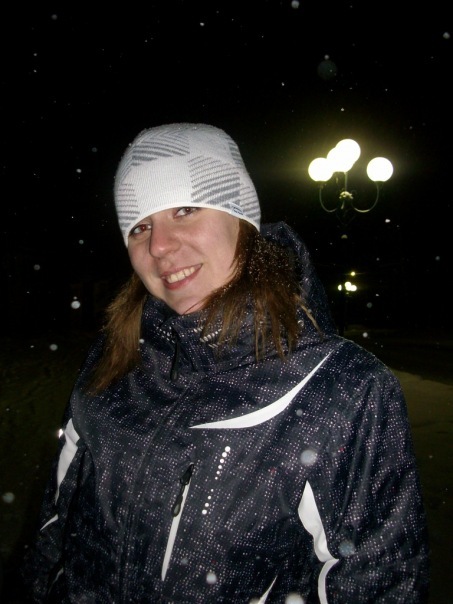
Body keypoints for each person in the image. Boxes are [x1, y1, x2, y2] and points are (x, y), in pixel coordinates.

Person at [22, 123, 429, 603]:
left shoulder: (344, 388)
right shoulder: (114, 360)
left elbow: (379, 583)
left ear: (241, 219)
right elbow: (54, 530)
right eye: (139, 227)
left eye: (185, 209)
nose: (158, 246)